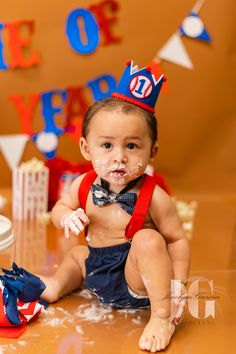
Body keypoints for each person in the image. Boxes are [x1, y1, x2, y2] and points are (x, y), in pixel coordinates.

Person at [41, 61, 191, 353]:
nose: (119, 157)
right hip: (96, 271)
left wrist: (179, 285)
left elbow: (177, 240)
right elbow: (59, 208)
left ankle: (161, 317)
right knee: (76, 254)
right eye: (107, 146)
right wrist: (67, 216)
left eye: (132, 146)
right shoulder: (83, 185)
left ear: (152, 152)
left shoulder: (155, 197)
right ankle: (57, 286)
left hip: (135, 278)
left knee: (149, 239)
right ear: (87, 148)